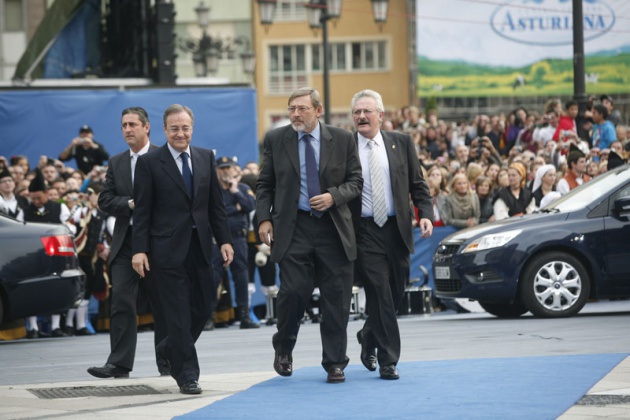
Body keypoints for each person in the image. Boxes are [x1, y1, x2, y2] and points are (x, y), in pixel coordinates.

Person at [256, 87, 362, 384]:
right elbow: (265, 184)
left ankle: (335, 363)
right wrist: (264, 218)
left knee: (336, 299)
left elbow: (356, 181)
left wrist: (333, 196)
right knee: (293, 293)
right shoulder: (277, 139)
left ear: (318, 110)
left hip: (333, 229)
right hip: (294, 228)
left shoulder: (341, 139)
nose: (295, 114)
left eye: (302, 108)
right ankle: (284, 348)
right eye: (291, 109)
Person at [131, 104, 234, 395]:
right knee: (176, 313)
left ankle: (169, 345)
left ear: (192, 128)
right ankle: (187, 375)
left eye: (185, 127)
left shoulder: (205, 157)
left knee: (204, 306)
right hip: (165, 250)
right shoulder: (150, 163)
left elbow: (216, 206)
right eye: (174, 128)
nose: (180, 133)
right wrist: (139, 250)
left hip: (200, 246)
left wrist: (224, 240)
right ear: (164, 130)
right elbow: (142, 212)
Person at [350, 89, 433, 380]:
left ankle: (368, 335)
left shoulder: (401, 143)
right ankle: (388, 360)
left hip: (397, 229)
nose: (361, 116)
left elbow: (418, 185)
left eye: (367, 111)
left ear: (380, 116)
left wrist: (425, 215)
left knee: (395, 292)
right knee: (380, 292)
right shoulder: (345, 146)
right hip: (363, 231)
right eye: (357, 112)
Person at [88, 107, 169, 379]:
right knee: (121, 300)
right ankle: (119, 363)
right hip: (125, 242)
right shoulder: (117, 162)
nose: (127, 130)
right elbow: (105, 200)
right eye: (123, 125)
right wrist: (131, 203)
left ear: (147, 127)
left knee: (163, 302)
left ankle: (168, 362)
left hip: (158, 241)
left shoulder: (164, 157)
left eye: (133, 124)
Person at [22, 168, 74, 338]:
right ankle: (33, 327)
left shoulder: (59, 208)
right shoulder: (26, 211)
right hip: (34, 254)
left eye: (39, 197)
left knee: (56, 288)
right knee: (31, 290)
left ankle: (56, 326)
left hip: (55, 252)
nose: (36, 201)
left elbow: (70, 228)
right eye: (33, 198)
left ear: (46, 193)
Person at [212, 156, 259, 329]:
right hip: (216, 240)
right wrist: (235, 208)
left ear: (234, 169)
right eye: (222, 168)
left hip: (238, 238)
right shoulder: (213, 190)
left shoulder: (242, 188)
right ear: (217, 171)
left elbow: (251, 205)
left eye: (228, 168)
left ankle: (244, 316)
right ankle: (209, 317)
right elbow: (216, 213)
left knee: (241, 276)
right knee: (213, 277)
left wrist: (235, 193)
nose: (225, 171)